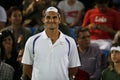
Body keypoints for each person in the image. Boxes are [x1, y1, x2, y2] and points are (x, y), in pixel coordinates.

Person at [22, 6, 80, 80]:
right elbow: (27, 65)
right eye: (48, 17)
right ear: (43, 20)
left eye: (54, 17)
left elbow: (74, 67)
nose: (51, 20)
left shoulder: (70, 42)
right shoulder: (32, 41)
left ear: (59, 20)